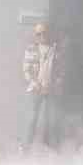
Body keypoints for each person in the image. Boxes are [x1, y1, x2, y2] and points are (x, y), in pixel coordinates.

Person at [21, 21, 65, 153]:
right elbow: (26, 70)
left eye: (44, 33)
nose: (42, 36)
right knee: (32, 119)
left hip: (50, 89)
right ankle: (25, 147)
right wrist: (36, 84)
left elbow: (61, 70)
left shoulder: (55, 49)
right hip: (35, 89)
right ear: (35, 35)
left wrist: (56, 84)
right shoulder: (31, 49)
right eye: (38, 34)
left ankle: (50, 147)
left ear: (48, 33)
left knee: (51, 118)